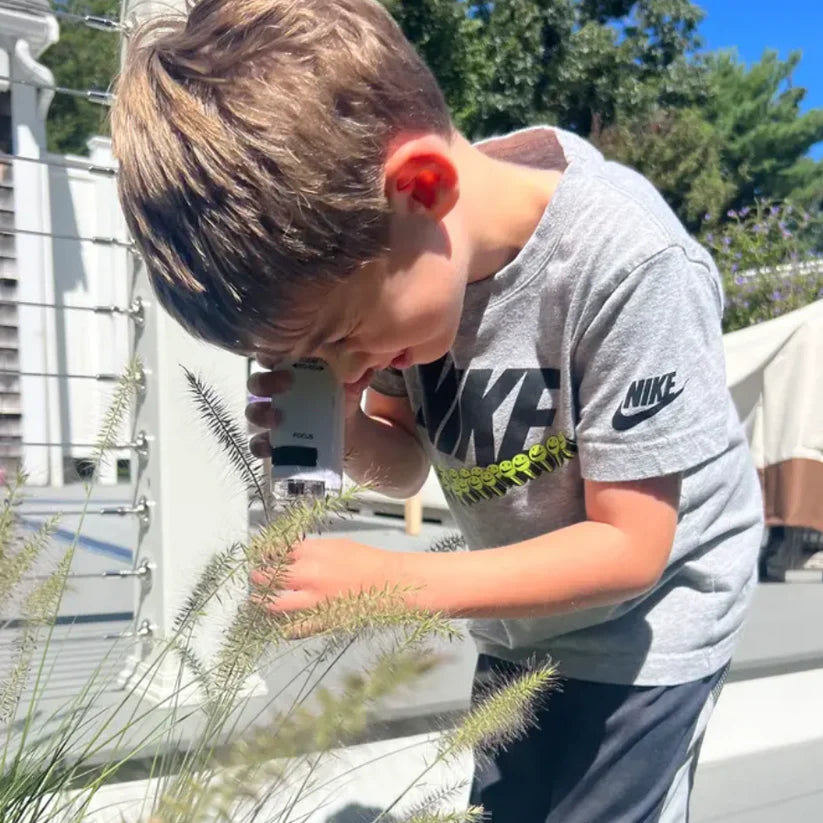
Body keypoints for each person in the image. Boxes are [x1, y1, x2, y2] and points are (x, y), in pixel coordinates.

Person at [110, 1, 764, 820]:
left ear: (423, 186)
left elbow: (631, 547)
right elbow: (411, 455)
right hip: (515, 616)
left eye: (342, 334)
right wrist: (349, 431)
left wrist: (397, 579)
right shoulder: (417, 266)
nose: (344, 364)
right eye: (319, 359)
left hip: (650, 624)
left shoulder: (629, 263)